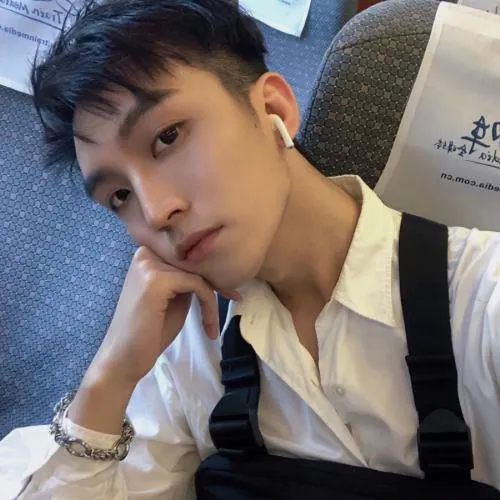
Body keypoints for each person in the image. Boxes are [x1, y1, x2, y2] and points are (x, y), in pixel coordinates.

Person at [2, 0, 500, 498]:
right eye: (119, 196)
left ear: (273, 110)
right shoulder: (192, 345)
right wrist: (110, 374)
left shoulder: (482, 301)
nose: (154, 212)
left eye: (168, 137)